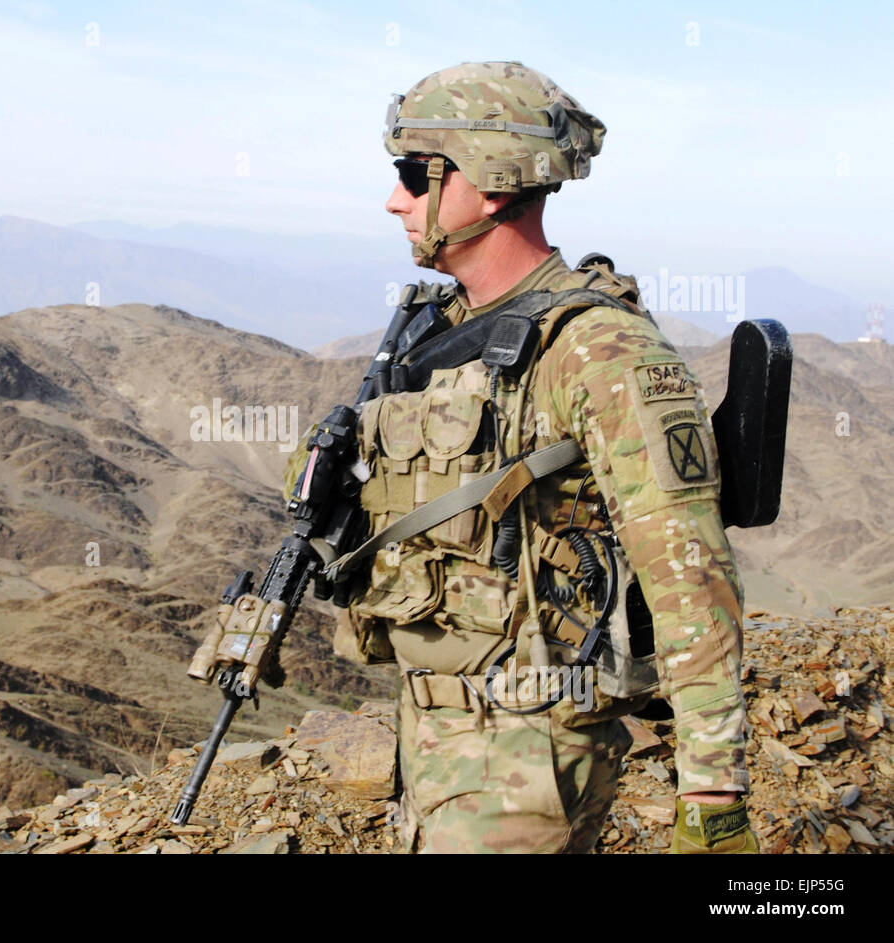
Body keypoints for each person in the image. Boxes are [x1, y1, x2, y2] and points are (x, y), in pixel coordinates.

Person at [305, 62, 757, 853]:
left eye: (415, 175)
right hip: (442, 740)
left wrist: (713, 795)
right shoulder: (443, 327)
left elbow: (691, 575)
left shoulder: (600, 350)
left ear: (489, 183)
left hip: (526, 756)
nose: (394, 200)